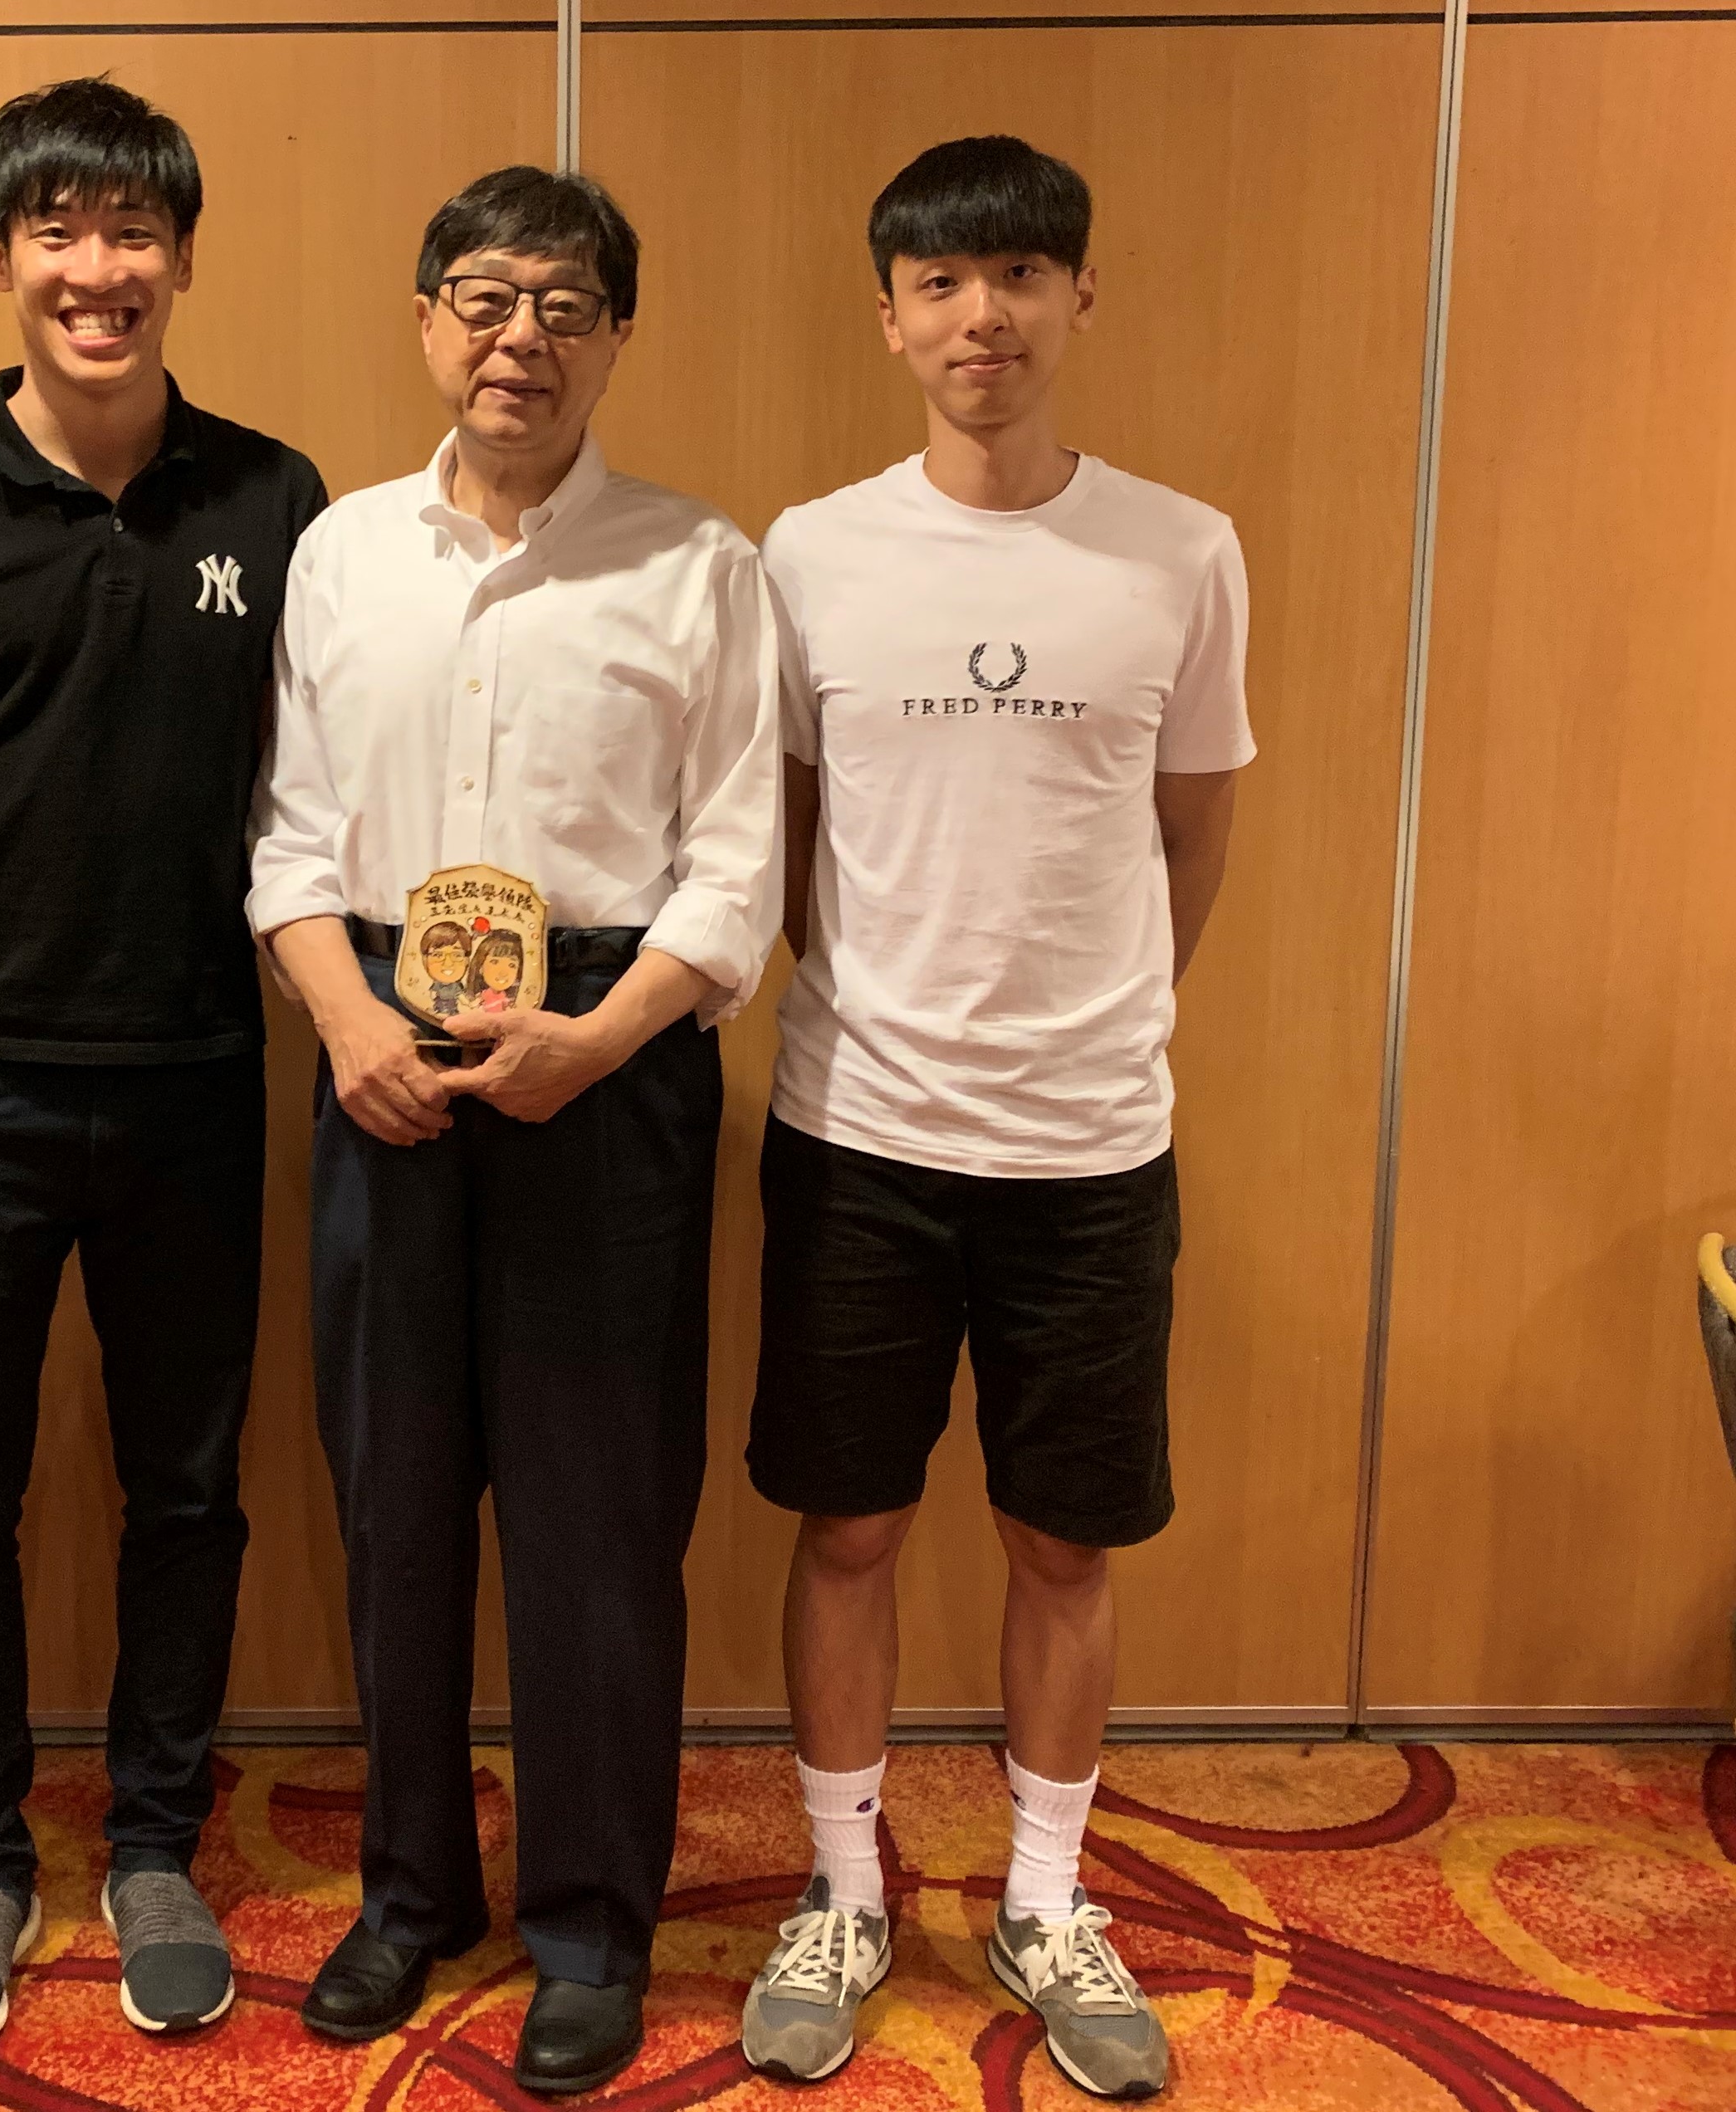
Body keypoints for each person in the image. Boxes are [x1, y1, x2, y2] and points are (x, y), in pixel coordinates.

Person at [252, 166, 782, 2096]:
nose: (519, 338)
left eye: (564, 304)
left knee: (593, 1518)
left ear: (616, 337)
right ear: (424, 324)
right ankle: (411, 1892)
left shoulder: (698, 562)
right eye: (482, 298)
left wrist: (604, 1038)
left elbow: (736, 868)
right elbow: (291, 839)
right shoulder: (337, 554)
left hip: (606, 1046)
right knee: (396, 1500)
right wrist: (343, 1024)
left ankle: (586, 1920)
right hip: (378, 1039)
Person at [736, 136, 1250, 2102]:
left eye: (1021, 275)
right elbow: (780, 840)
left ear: (1079, 300)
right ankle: (843, 1892)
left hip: (1092, 1150)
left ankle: (1045, 1896)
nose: (983, 316)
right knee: (847, 1523)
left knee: (1062, 1541)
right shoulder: (810, 551)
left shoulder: (1180, 550)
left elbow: (1191, 835)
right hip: (859, 1129)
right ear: (889, 316)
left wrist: (1090, 1018)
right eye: (941, 282)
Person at [0, 77, 328, 2048]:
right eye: (61, 230)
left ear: (183, 258)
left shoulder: (273, 498)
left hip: (199, 1069)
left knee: (184, 1487)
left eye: (134, 234)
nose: (98, 270)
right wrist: (1, 957)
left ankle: (150, 1840)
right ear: (4, 254)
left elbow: (302, 777)